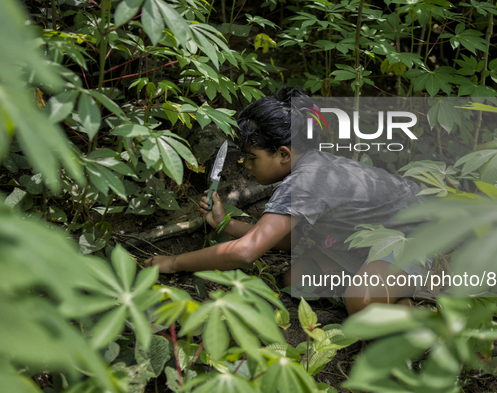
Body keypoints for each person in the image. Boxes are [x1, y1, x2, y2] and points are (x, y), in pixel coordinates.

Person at [144, 87, 428, 315]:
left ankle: (417, 317)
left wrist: (174, 263)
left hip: (414, 237)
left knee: (360, 301)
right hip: (365, 243)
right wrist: (225, 223)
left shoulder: (306, 182)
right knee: (297, 281)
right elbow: (282, 240)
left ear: (283, 154)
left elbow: (246, 252)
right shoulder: (309, 169)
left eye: (253, 157)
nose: (246, 165)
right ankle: (381, 292)